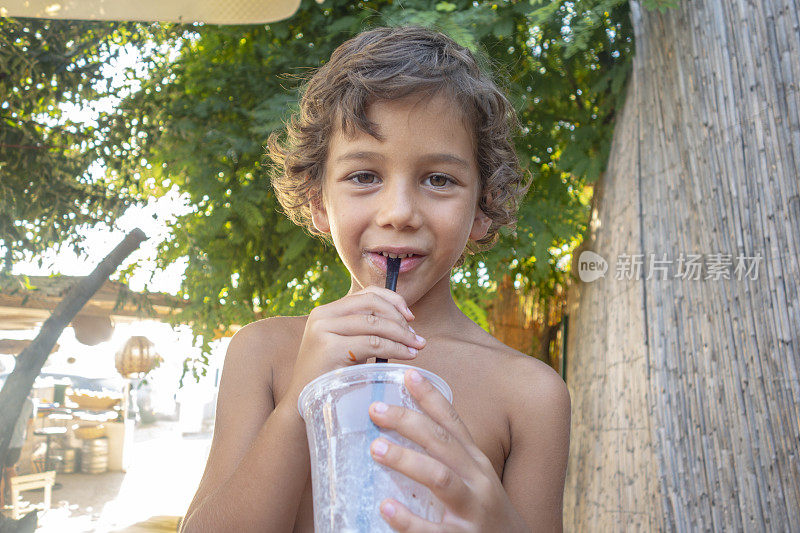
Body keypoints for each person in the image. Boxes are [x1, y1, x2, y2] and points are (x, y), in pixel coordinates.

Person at [181, 25, 570, 532]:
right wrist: (304, 397)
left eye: (439, 179)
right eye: (364, 176)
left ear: (483, 207)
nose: (399, 212)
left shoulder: (530, 394)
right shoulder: (265, 355)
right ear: (319, 202)